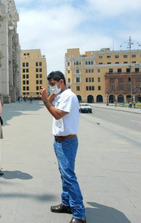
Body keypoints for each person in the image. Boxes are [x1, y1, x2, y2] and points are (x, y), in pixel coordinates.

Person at [41, 71, 87, 223]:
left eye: (53, 84)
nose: (51, 87)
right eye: (50, 84)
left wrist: (46, 101)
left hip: (67, 142)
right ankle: (67, 203)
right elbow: (49, 103)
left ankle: (79, 214)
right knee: (64, 175)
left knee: (69, 177)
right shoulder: (60, 95)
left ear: (61, 82)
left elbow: (57, 114)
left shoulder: (69, 96)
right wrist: (51, 96)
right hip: (59, 141)